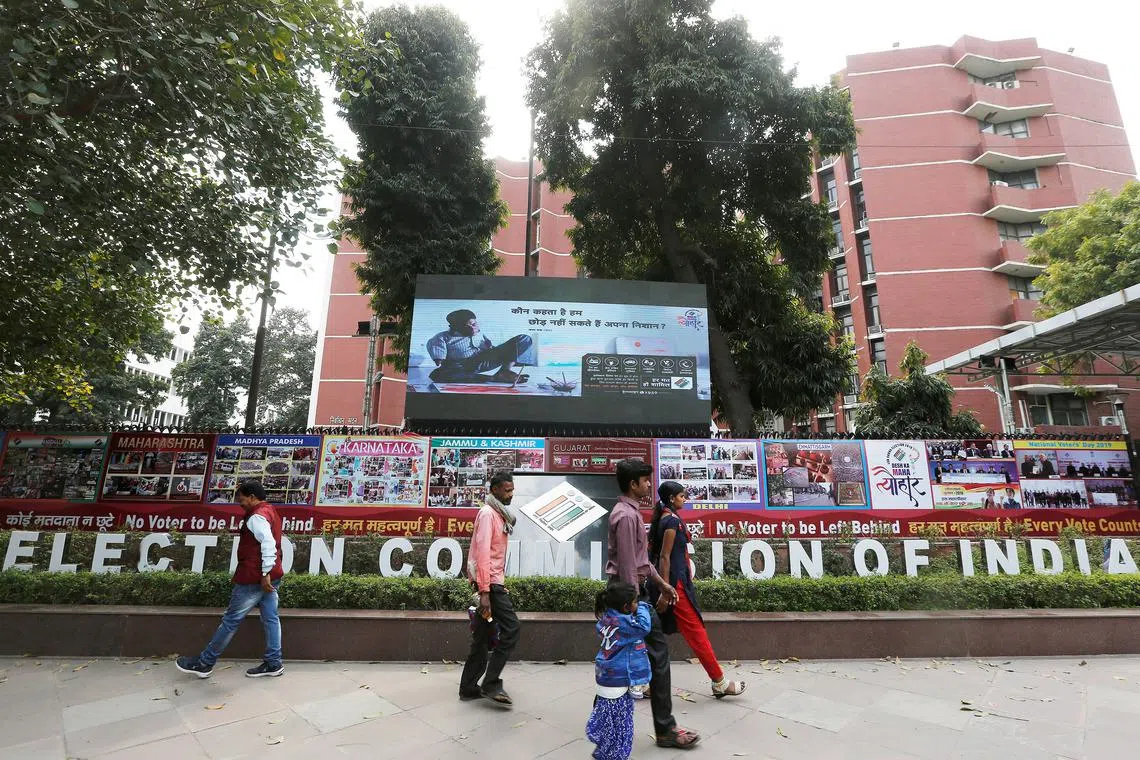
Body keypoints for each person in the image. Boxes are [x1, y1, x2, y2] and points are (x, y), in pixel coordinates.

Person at [608, 459, 699, 750]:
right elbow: (626, 567)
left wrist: (661, 583)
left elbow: (642, 561)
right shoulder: (625, 516)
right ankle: (664, 729)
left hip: (634, 595)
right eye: (646, 481)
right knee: (651, 659)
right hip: (630, 598)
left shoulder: (632, 513)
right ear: (633, 484)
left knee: (624, 662)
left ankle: (658, 728)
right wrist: (634, 605)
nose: (650, 485)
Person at [176, 481, 284, 678]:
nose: (239, 503)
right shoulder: (269, 511)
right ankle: (273, 662)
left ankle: (204, 663)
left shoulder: (257, 517)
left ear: (252, 497)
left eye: (241, 498)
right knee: (270, 619)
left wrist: (265, 572)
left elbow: (268, 543)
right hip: (269, 576)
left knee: (230, 621)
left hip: (254, 578)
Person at [649, 481, 745, 699]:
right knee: (696, 634)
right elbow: (664, 557)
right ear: (672, 499)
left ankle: (640, 683)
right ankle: (719, 683)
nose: (685, 499)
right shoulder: (671, 521)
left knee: (649, 633)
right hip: (675, 587)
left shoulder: (662, 518)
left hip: (672, 584)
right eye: (682, 496)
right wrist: (667, 590)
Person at [459, 471, 521, 705]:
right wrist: (485, 591)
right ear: (494, 490)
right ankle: (491, 683)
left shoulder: (499, 514)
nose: (511, 495)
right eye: (507, 490)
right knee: (512, 628)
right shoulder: (488, 514)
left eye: (512, 490)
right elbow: (482, 554)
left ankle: (468, 687)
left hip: (493, 582)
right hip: (489, 584)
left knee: (483, 636)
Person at [586, 581, 651, 760]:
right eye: (635, 601)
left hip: (604, 676)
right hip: (618, 681)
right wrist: (644, 607)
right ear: (626, 606)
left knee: (609, 722)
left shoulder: (607, 617)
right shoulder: (625, 624)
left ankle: (604, 751)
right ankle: (616, 756)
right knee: (622, 727)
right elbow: (644, 627)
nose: (637, 604)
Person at [426, 309, 536, 385]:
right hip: (462, 366)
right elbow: (438, 361)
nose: (473, 328)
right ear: (455, 327)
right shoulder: (442, 337)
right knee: (438, 375)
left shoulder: (480, 334)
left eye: (474, 324)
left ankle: (505, 371)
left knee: (524, 339)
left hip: (484, 359)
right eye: (466, 326)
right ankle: (494, 378)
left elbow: (491, 349)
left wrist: (498, 351)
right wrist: (440, 358)